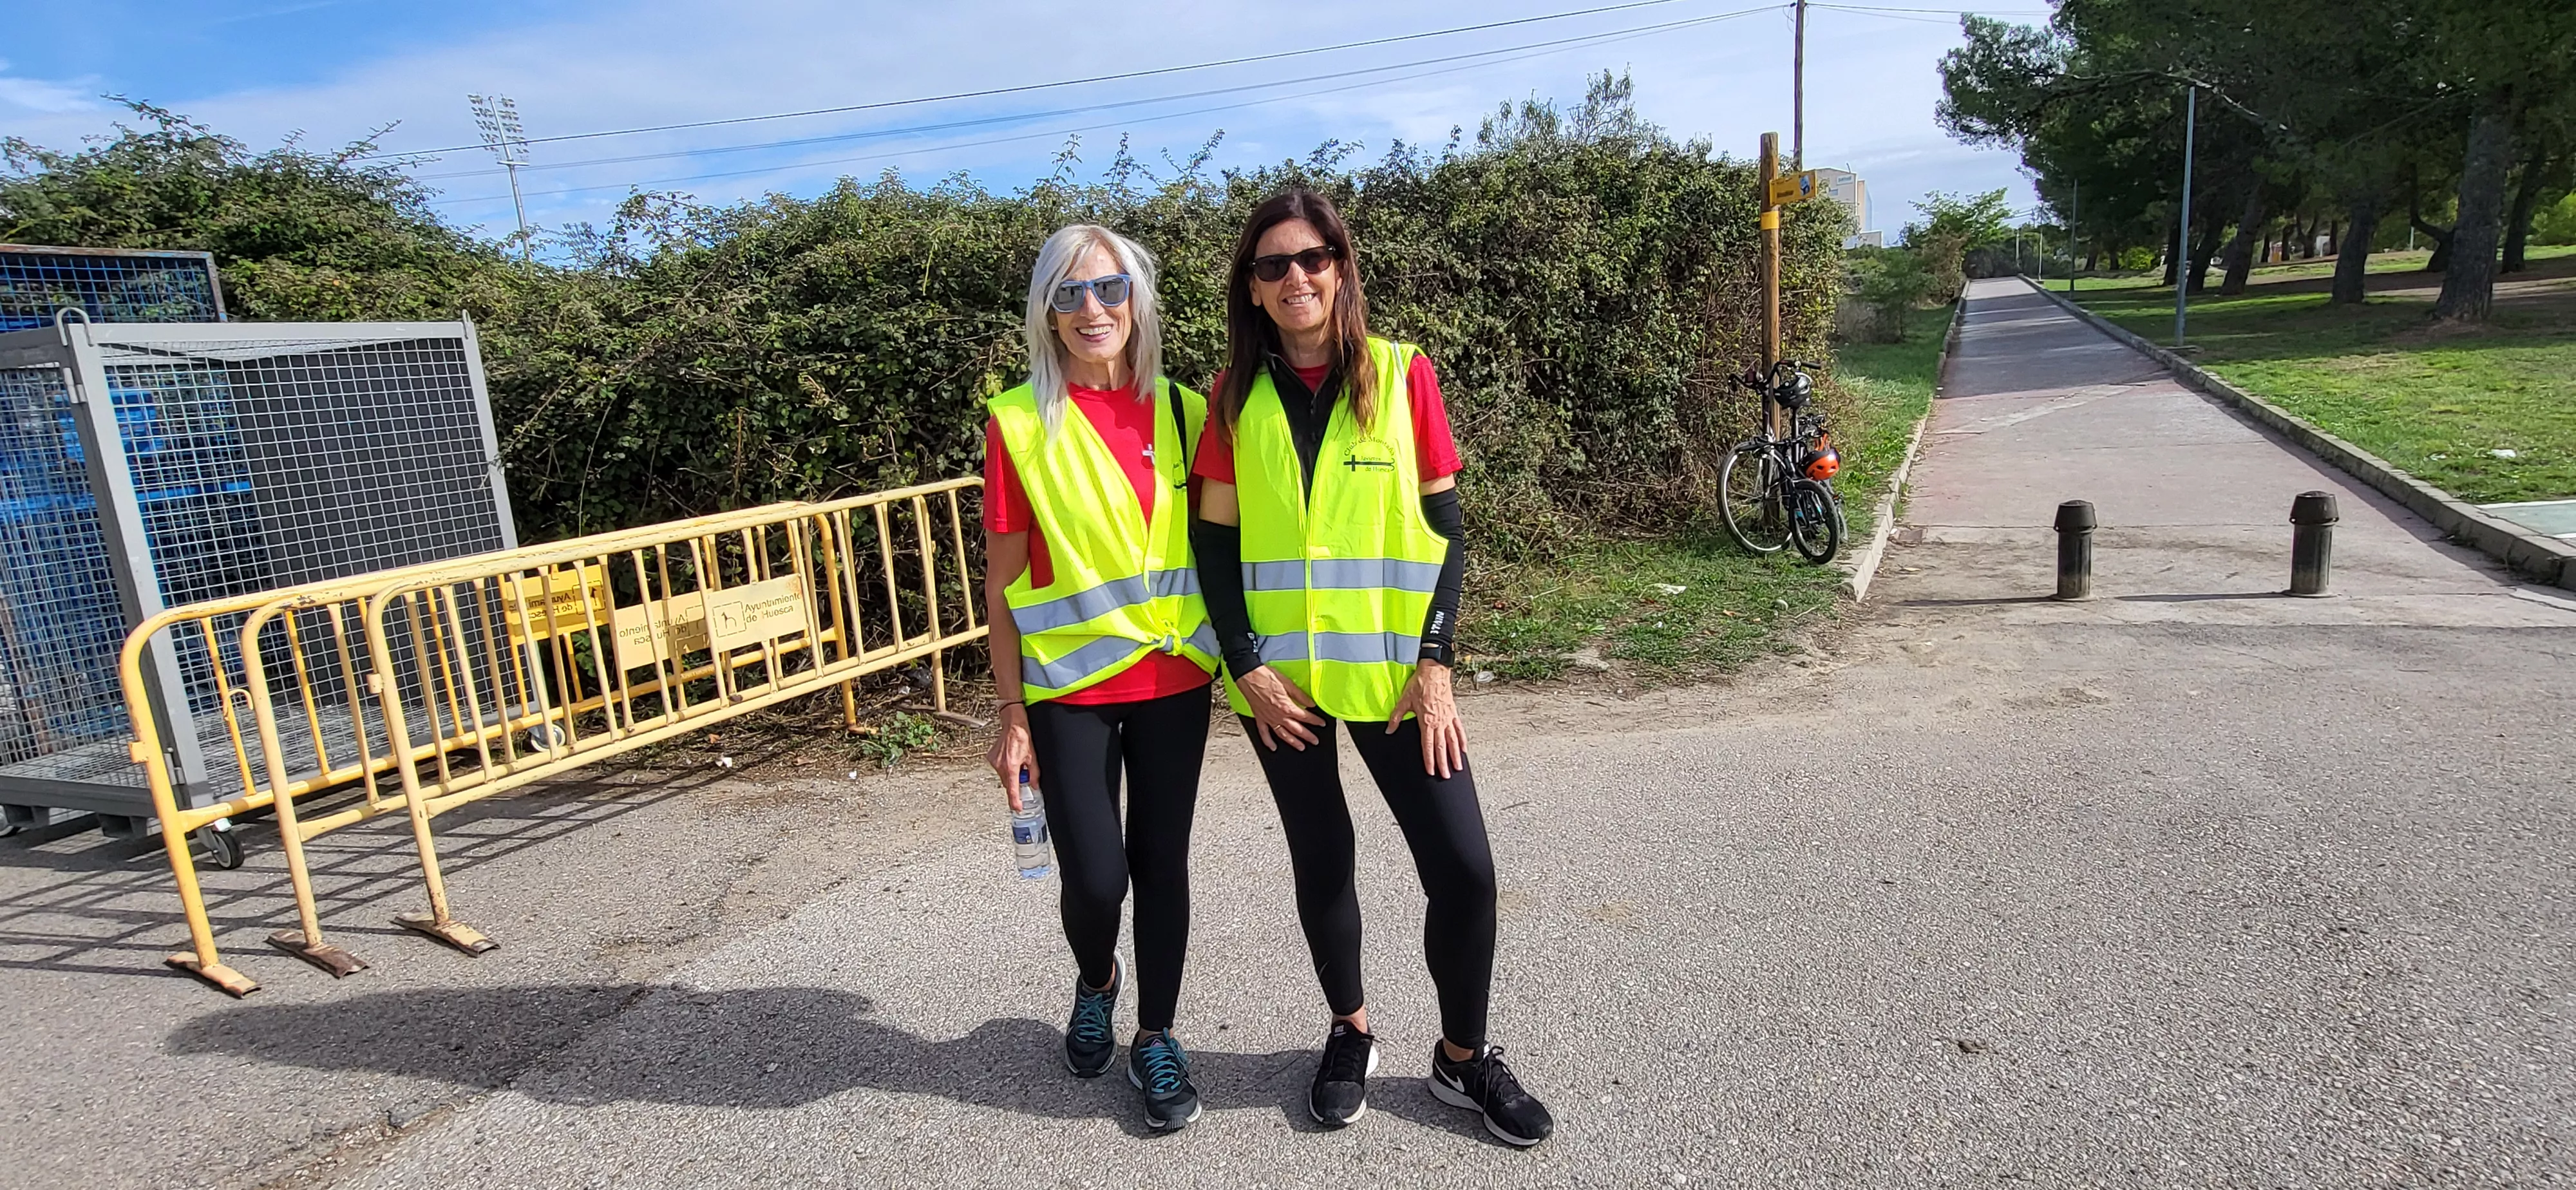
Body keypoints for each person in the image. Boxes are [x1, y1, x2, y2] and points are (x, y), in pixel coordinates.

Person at [1189, 189, 1555, 1147]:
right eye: (1272, 266)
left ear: (1341, 268)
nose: (1295, 277)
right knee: (1325, 859)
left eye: (1312, 258)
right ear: (1254, 291)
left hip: (1396, 681)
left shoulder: (1403, 374)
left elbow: (1445, 528)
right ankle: (1349, 1030)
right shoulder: (1232, 396)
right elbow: (1214, 546)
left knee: (1466, 871)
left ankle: (1462, 1060)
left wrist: (1436, 663)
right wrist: (1246, 667)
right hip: (1284, 690)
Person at [983, 223, 1218, 1131]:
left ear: (1138, 300)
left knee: (1162, 865)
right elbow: (1002, 588)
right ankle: (1097, 978)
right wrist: (1008, 714)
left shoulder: (1189, 413)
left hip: (1173, 682)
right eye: (1071, 293)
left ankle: (1155, 1036)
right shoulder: (1018, 421)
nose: (1094, 309)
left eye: (1111, 289)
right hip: (1066, 688)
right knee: (1097, 879)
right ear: (1048, 309)